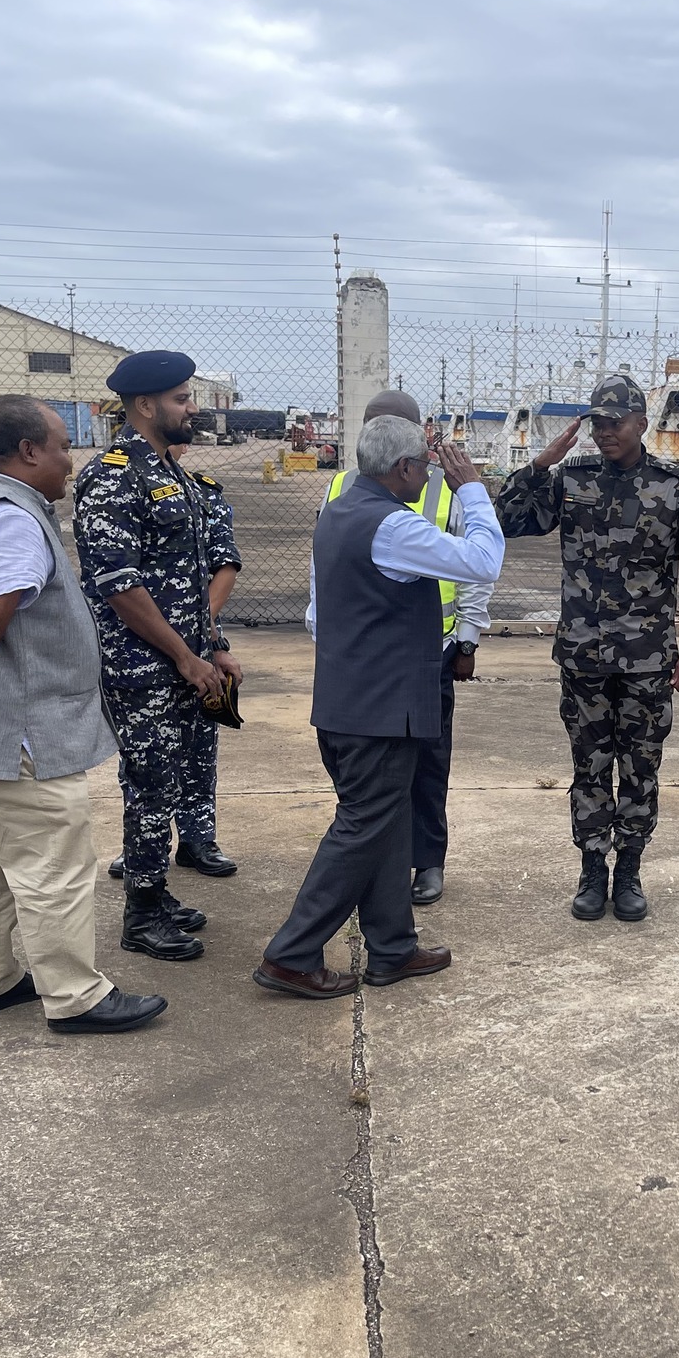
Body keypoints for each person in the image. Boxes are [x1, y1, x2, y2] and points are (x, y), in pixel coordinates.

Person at [0, 395, 165, 1035]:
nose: (70, 461)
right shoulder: (13, 517)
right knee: (53, 867)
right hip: (20, 738)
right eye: (60, 446)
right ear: (28, 452)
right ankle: (76, 996)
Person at [253, 417, 505, 999]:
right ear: (402, 469)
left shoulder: (340, 509)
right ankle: (292, 953)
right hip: (381, 715)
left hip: (351, 704)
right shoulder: (391, 525)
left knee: (385, 825)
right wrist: (471, 489)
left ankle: (391, 947)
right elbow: (482, 562)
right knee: (363, 828)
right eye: (425, 466)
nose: (429, 475)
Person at [496, 374, 679, 922]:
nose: (604, 433)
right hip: (583, 659)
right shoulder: (569, 481)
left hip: (649, 662)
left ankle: (629, 868)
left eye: (614, 423)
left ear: (641, 424)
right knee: (590, 767)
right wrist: (537, 466)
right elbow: (506, 520)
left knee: (641, 767)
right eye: (596, 423)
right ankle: (591, 868)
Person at [74, 350, 242, 963]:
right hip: (143, 666)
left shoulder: (171, 477)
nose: (192, 409)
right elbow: (120, 586)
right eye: (182, 399)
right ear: (145, 405)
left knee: (171, 781)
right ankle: (141, 916)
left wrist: (213, 648)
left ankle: (157, 891)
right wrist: (184, 658)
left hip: (185, 660)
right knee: (149, 787)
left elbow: (192, 581)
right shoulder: (114, 475)